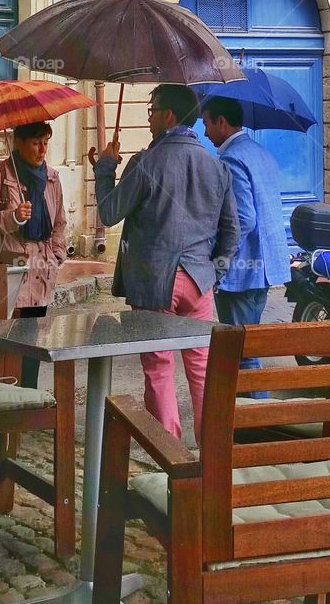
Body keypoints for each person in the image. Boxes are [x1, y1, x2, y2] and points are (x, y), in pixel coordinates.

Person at [93, 84, 238, 441]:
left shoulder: (146, 162)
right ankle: (212, 451)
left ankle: (168, 452)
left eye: (151, 111)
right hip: (199, 281)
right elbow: (232, 231)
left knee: (158, 366)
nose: (149, 118)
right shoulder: (216, 166)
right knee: (202, 367)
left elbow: (109, 212)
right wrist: (212, 272)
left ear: (168, 115)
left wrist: (106, 168)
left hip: (155, 282)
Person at [0, 121, 68, 387]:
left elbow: (59, 223)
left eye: (46, 141)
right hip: (11, 273)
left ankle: (30, 399)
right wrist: (11, 218)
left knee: (34, 342)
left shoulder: (52, 178)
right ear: (19, 143)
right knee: (8, 341)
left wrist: (57, 255)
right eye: (35, 143)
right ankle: (4, 404)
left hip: (42, 273)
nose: (42, 149)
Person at [202, 97, 291, 391]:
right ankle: (252, 419)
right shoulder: (260, 153)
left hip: (242, 272)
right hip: (266, 267)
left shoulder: (231, 159)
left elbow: (242, 218)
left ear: (222, 123)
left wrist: (219, 260)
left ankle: (254, 420)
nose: (205, 133)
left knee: (242, 353)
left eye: (207, 124)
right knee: (248, 347)